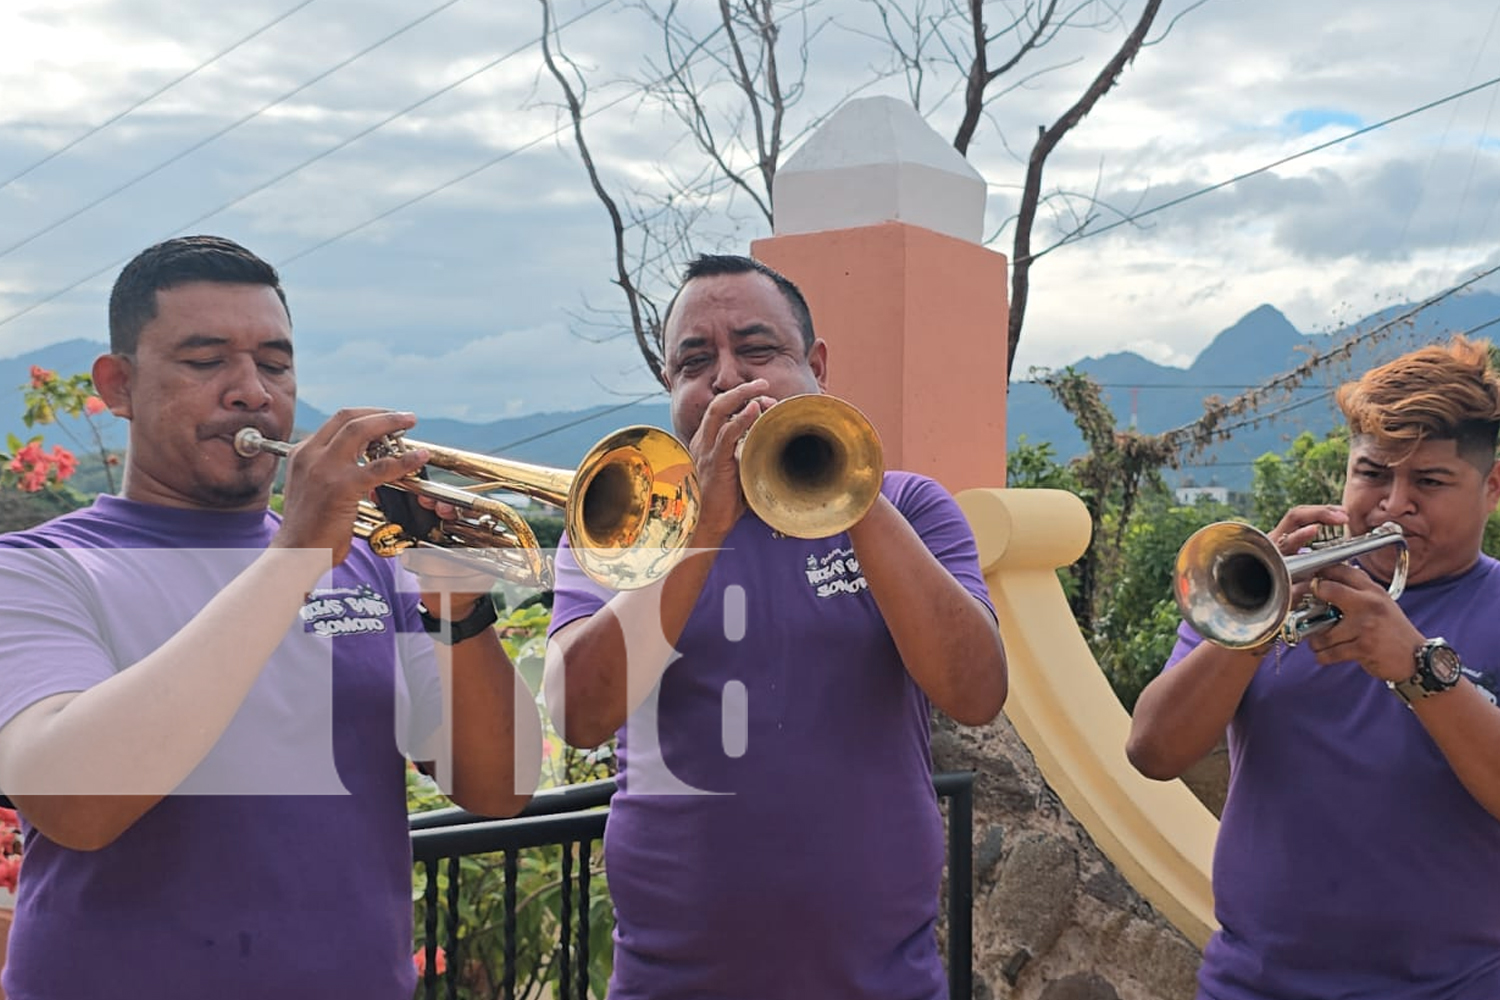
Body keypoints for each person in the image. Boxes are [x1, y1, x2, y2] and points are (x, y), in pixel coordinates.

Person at [0, 235, 542, 998]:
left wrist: (457, 602)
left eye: (275, 364)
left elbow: (499, 789)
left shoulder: (369, 560)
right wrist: (292, 560)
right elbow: (75, 803)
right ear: (118, 386)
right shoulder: (34, 569)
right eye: (205, 360)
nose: (252, 391)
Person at [543, 253, 1007, 999]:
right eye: (695, 362)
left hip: (882, 980)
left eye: (757, 351)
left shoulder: (912, 506)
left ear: (816, 365)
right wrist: (704, 524)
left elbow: (976, 692)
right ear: (671, 389)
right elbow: (578, 712)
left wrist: (846, 485)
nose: (726, 378)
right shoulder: (618, 525)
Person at [1127, 335, 1500, 999]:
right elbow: (1154, 749)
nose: (1393, 504)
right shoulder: (1258, 593)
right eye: (1373, 473)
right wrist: (1252, 624)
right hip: (1250, 985)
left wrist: (1418, 667)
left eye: (1431, 481)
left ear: (1492, 487)